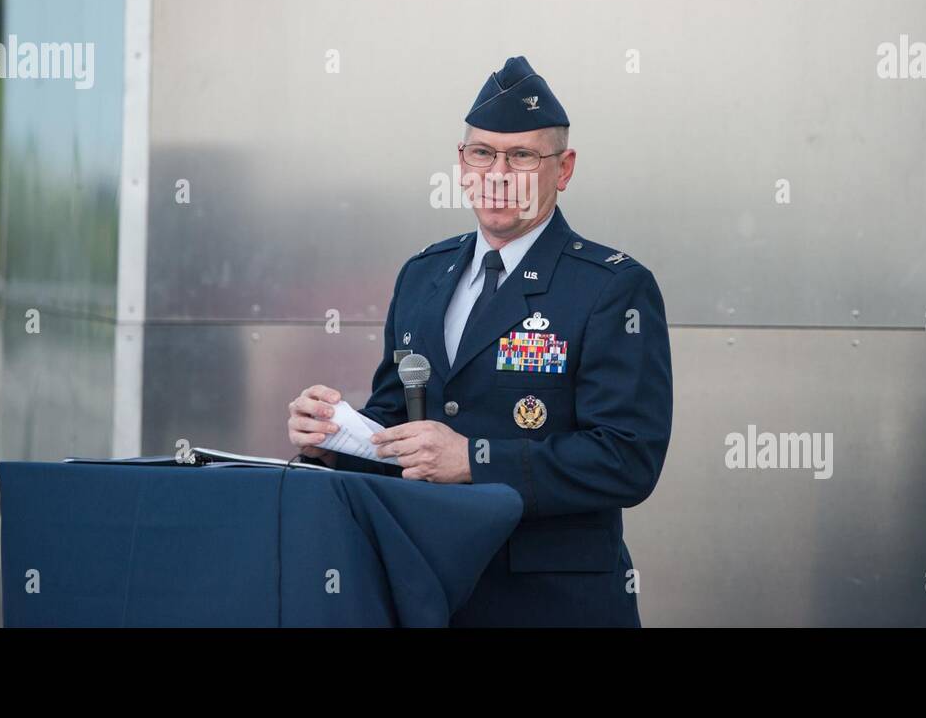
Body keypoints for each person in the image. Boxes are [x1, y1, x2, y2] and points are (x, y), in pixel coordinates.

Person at [286, 55, 672, 626]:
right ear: (461, 165)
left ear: (563, 170)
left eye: (521, 156)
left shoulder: (612, 288)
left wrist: (474, 460)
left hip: (551, 604)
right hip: (430, 589)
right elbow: (397, 423)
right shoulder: (423, 274)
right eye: (482, 153)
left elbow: (627, 458)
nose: (498, 173)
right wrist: (334, 440)